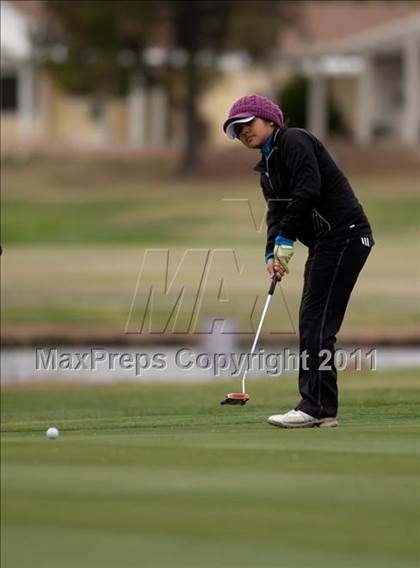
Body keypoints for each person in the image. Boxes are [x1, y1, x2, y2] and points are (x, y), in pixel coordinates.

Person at [223, 94, 374, 429]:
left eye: (248, 123)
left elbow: (308, 189)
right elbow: (276, 213)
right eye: (237, 129)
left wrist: (286, 239)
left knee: (317, 322)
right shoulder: (267, 170)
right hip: (326, 244)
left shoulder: (294, 140)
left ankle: (316, 406)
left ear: (269, 121)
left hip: (345, 236)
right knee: (312, 322)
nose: (243, 132)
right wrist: (272, 252)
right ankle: (320, 408)